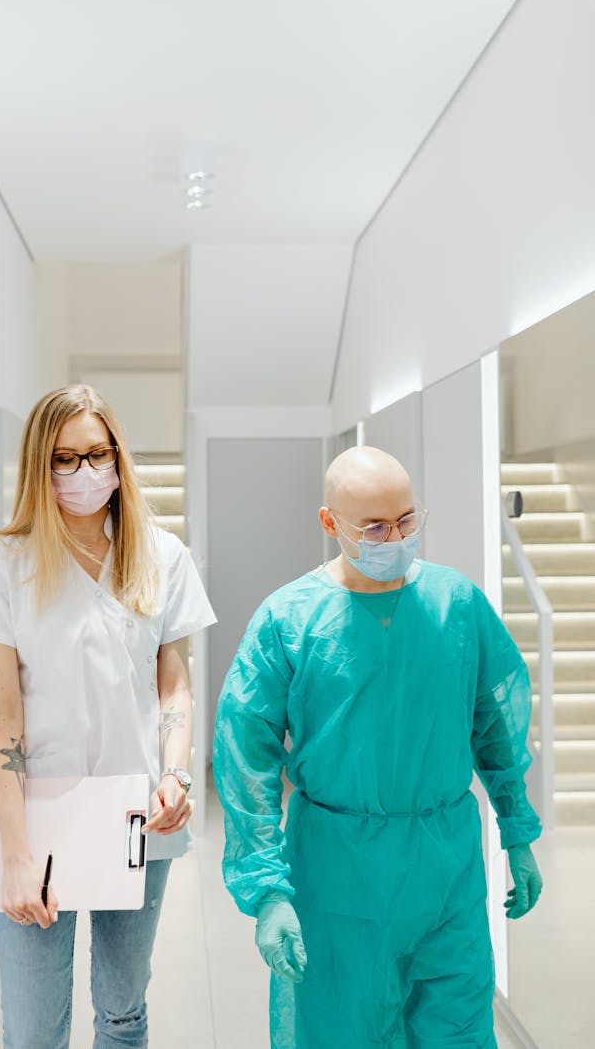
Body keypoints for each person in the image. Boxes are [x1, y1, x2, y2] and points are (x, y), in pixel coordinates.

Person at [213, 445, 543, 1049]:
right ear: (329, 522)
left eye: (407, 520)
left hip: (446, 864)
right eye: (374, 527)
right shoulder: (289, 618)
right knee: (341, 1028)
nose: (395, 537)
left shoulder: (457, 603)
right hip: (337, 870)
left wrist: (516, 830)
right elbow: (246, 756)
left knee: (459, 1026)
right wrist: (266, 890)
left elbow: (495, 720)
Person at [0, 384, 216, 1049]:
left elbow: (174, 685)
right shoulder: (1, 565)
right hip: (38, 814)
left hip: (138, 811)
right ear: (39, 467)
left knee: (123, 1013)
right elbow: (4, 721)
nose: (83, 472)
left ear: (119, 459)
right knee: (35, 1030)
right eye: (63, 459)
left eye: (97, 454)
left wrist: (177, 773)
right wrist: (14, 853)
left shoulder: (161, 556)